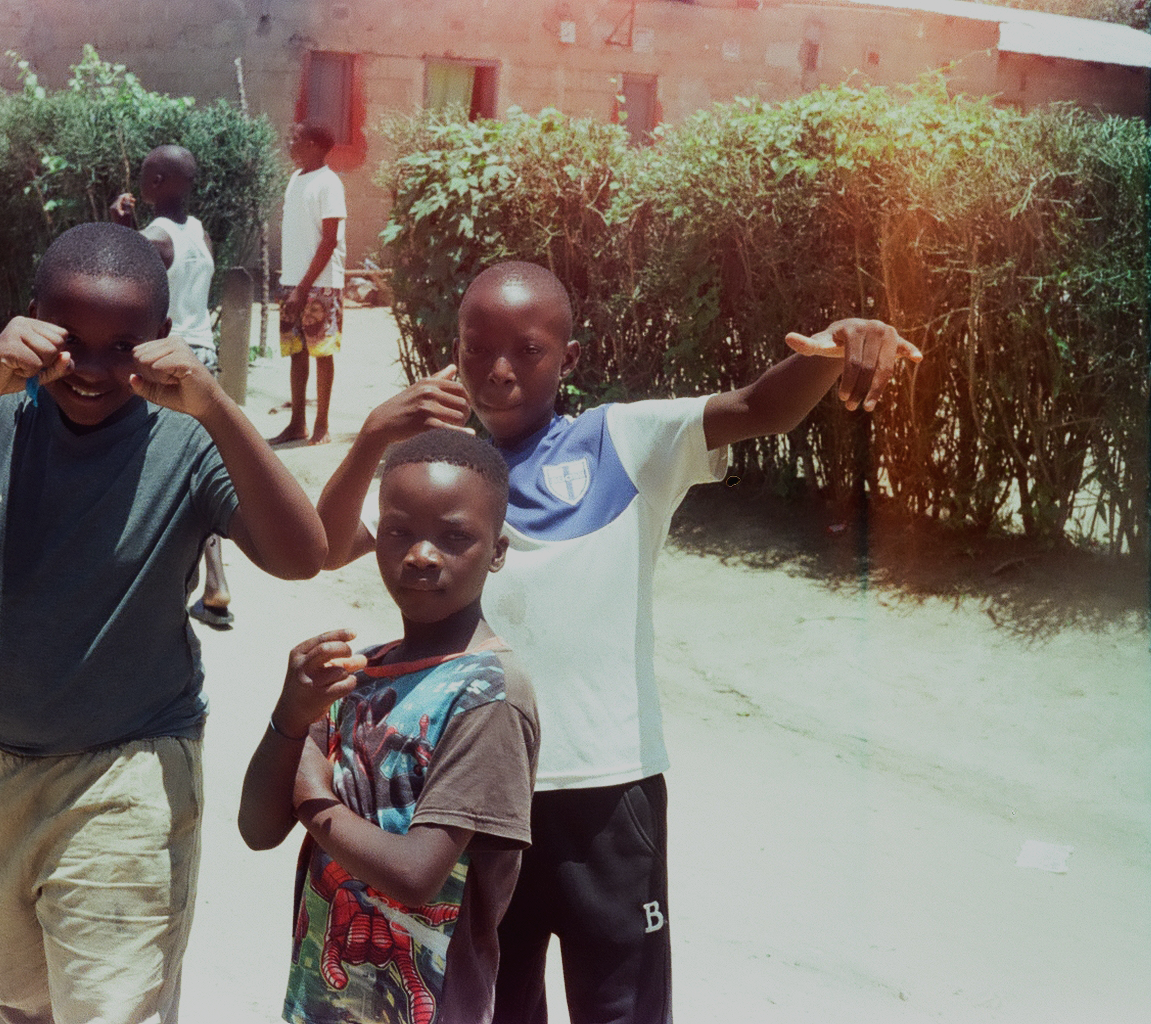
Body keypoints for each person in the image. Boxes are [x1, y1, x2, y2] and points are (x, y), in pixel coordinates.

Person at [315, 261, 923, 1024]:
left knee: (622, 1007)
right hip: (475, 798)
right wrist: (375, 435)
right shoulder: (444, 476)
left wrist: (832, 348)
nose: (498, 370)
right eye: (477, 349)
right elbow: (325, 545)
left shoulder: (623, 441)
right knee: (495, 1006)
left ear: (567, 358)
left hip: (607, 790)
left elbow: (757, 407)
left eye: (527, 350)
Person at [0, 222, 326, 1024]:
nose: (91, 369)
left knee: (111, 1008)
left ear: (162, 336)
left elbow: (302, 555)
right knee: (20, 1002)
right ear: (30, 322)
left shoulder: (187, 439)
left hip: (127, 772)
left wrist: (217, 406)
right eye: (69, 342)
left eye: (122, 346)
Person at [239, 428, 540, 1024]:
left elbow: (416, 873)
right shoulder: (358, 675)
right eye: (399, 531)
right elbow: (257, 828)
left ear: (498, 551)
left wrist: (314, 798)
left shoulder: (489, 695)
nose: (422, 554)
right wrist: (289, 717)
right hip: (324, 997)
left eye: (454, 537)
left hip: (430, 1005)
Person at [111, 144, 233, 629]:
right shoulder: (200, 232)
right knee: (197, 466)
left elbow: (123, 280)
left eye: (146, 174)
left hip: (166, 359)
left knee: (159, 469)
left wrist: (121, 228)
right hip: (204, 357)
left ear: (157, 182)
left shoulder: (152, 238)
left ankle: (164, 580)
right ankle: (216, 582)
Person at [269, 121, 346, 446]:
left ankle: (321, 424)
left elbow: (329, 240)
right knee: (296, 351)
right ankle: (297, 423)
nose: (290, 142)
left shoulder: (329, 183)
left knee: (322, 351)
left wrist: (303, 288)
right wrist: (293, 286)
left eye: (296, 138)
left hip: (320, 285)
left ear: (313, 144)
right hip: (292, 283)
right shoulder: (295, 179)